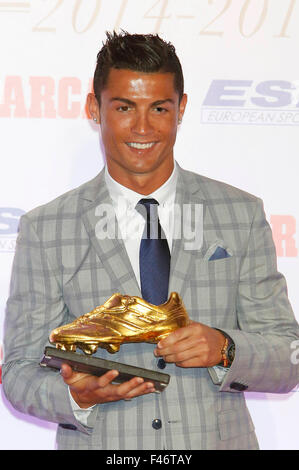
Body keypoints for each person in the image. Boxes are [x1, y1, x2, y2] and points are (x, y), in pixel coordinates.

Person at [3, 31, 299, 451]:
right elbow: (17, 370)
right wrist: (75, 395)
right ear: (94, 107)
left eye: (159, 108)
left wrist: (226, 348)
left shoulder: (240, 214)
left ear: (180, 109)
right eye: (124, 107)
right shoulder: (47, 228)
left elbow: (289, 356)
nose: (142, 127)